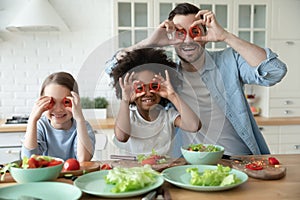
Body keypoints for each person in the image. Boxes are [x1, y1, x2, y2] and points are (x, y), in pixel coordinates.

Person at [106, 3, 287, 157]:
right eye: (179, 33)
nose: (187, 40)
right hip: (192, 162)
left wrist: (225, 36)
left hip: (239, 158)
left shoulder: (229, 61)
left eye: (194, 32)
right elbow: (111, 69)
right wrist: (148, 43)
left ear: (205, 33)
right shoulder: (167, 78)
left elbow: (274, 71)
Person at [109, 48, 201, 155]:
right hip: (134, 170)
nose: (148, 93)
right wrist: (125, 101)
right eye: (140, 87)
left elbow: (194, 126)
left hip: (163, 170)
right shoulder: (128, 116)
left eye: (154, 86)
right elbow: (122, 137)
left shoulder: (168, 116)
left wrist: (172, 95)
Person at [22, 72, 95, 161]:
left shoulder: (83, 126)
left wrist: (79, 119)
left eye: (66, 102)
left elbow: (84, 159)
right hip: (47, 175)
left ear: (76, 101)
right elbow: (28, 159)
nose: (58, 109)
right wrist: (32, 120)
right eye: (51, 102)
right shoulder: (40, 126)